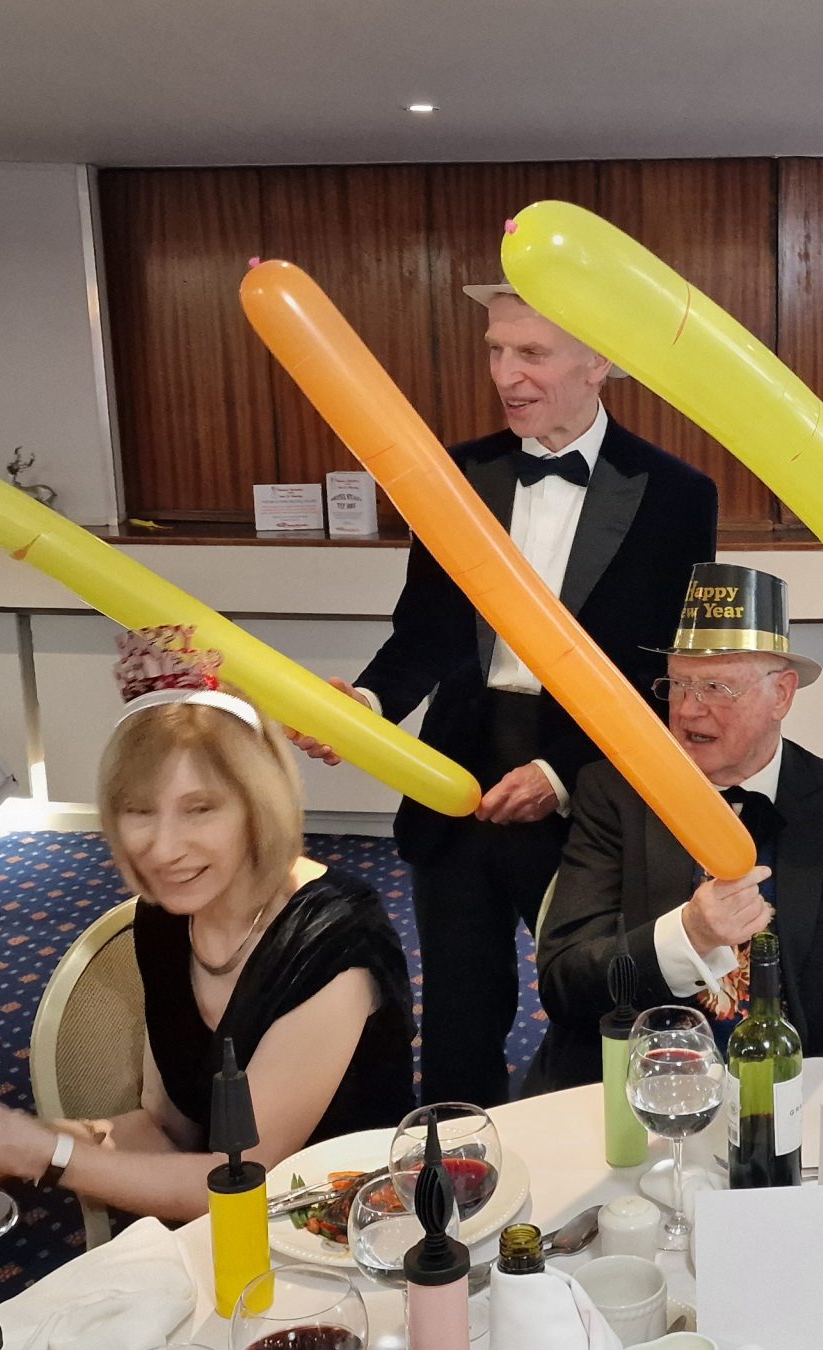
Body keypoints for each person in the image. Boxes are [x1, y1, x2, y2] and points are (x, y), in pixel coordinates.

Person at [292, 283, 716, 1106]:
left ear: (598, 361)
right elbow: (427, 629)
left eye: (531, 353)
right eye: (495, 350)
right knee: (458, 1015)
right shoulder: (456, 474)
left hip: (589, 783)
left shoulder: (677, 494)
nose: (505, 374)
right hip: (458, 772)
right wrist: (367, 706)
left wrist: (560, 772)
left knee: (601, 1009)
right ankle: (461, 1166)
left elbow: (657, 669)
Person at [0, 638, 416, 1222]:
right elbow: (168, 1129)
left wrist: (25, 1149)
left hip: (352, 1231)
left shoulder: (335, 937)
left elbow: (239, 1184)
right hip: (231, 1232)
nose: (164, 848)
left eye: (200, 809)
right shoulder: (164, 919)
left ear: (259, 808)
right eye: (139, 810)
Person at [527, 564, 823, 1090]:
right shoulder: (614, 792)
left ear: (782, 695)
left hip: (794, 1084)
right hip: (640, 1084)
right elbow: (565, 981)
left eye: (716, 687)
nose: (688, 710)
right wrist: (689, 937)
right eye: (677, 685)